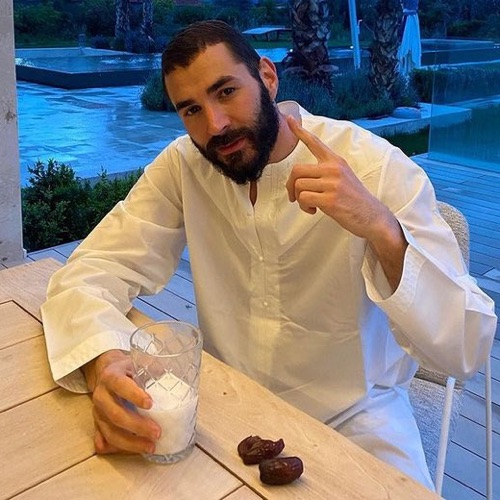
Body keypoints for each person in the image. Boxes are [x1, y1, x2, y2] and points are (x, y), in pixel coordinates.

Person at [41, 20, 496, 490]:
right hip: (222, 407)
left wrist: (381, 227)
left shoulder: (373, 167)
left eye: (226, 92)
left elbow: (465, 347)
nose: (215, 125)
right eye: (191, 109)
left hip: (356, 420)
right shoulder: (184, 166)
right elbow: (91, 270)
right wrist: (103, 361)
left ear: (267, 76)